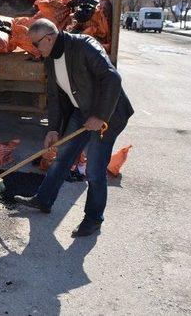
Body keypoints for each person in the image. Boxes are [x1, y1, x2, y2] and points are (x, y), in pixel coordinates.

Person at [14, 18, 134, 237]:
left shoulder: (84, 46)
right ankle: (44, 200)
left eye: (36, 44)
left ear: (49, 38)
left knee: (94, 171)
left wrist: (100, 116)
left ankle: (93, 219)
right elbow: (55, 96)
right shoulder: (50, 58)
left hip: (107, 115)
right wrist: (53, 129)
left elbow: (112, 78)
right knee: (63, 157)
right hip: (82, 111)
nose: (34, 50)